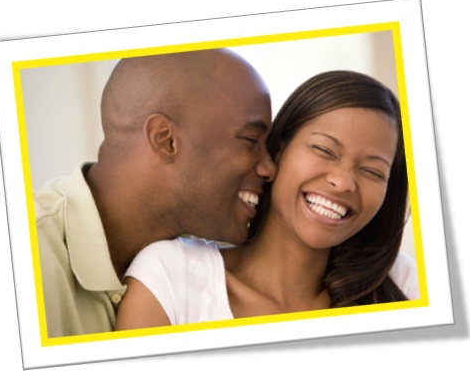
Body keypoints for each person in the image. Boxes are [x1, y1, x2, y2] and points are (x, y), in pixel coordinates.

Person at [115, 70, 419, 329]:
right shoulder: (171, 276)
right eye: (324, 150)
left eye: (371, 171)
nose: (342, 182)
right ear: (279, 150)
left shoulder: (403, 283)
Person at [34, 48, 277, 337]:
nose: (269, 168)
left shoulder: (198, 268)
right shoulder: (23, 264)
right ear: (167, 140)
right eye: (250, 139)